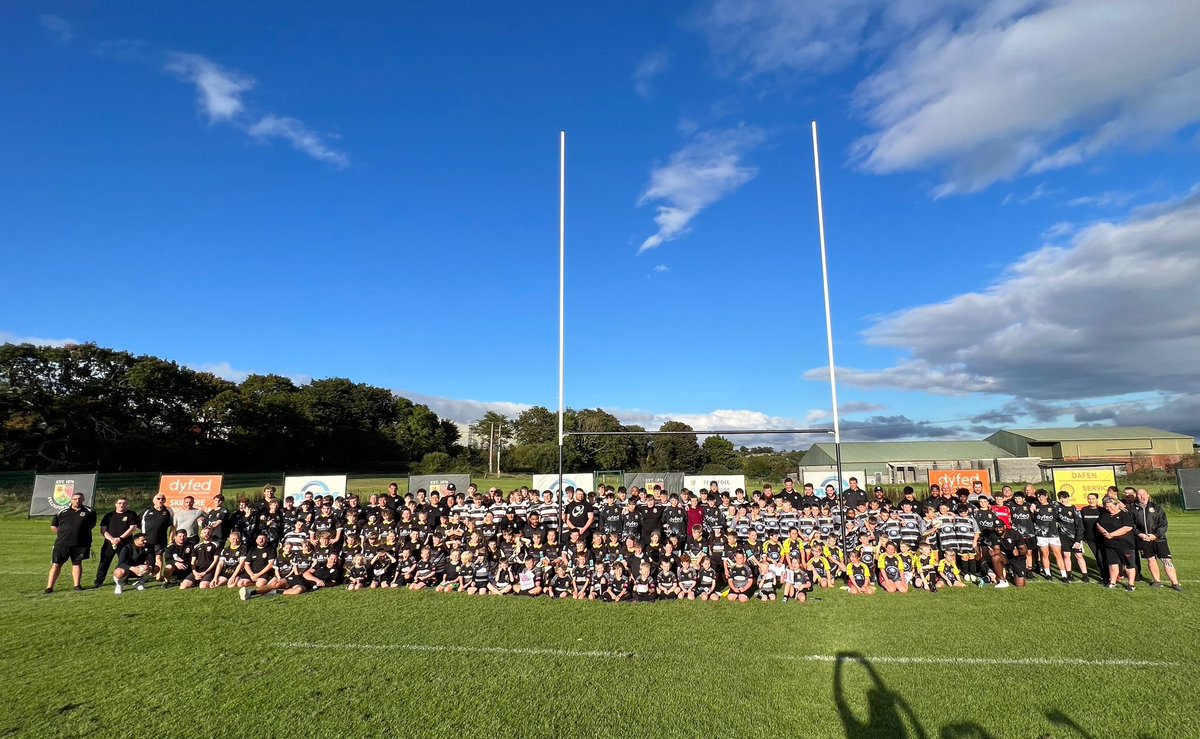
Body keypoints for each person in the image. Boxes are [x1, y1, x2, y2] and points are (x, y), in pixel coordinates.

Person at [1132, 489, 1182, 591]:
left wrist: (1156, 535)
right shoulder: (1133, 509)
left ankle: (1175, 583)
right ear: (1136, 496)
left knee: (1166, 560)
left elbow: (1163, 524)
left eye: (1143, 494)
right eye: (1139, 495)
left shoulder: (1157, 508)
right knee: (1151, 560)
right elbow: (1131, 525)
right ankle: (1157, 581)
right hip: (1144, 540)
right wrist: (1140, 534)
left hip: (1159, 539)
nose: (1142, 496)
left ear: (1148, 495)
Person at [46, 492, 97, 593]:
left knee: (77, 563)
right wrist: (62, 534)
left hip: (81, 543)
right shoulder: (62, 512)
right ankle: (49, 587)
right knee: (56, 564)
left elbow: (92, 525)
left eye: (79, 499)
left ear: (83, 500)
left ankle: (77, 585)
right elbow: (53, 526)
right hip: (62, 543)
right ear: (71, 500)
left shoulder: (89, 511)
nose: (77, 501)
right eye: (75, 499)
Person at [94, 497, 141, 588]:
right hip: (109, 543)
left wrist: (120, 538)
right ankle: (99, 581)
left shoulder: (131, 514)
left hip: (125, 544)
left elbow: (132, 528)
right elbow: (103, 530)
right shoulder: (109, 515)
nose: (121, 505)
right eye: (119, 503)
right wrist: (112, 539)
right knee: (104, 562)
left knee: (125, 562)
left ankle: (124, 579)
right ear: (116, 504)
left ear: (127, 505)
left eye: (124, 503)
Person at [1096, 496, 1138, 591]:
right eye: (1107, 507)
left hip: (1124, 544)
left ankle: (1131, 583)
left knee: (1128, 564)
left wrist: (1112, 534)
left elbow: (1127, 528)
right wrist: (1104, 532)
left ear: (1117, 505)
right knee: (1112, 563)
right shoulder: (1105, 514)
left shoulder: (1125, 515)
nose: (1108, 509)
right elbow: (1098, 524)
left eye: (1111, 506)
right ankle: (1113, 582)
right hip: (1109, 544)